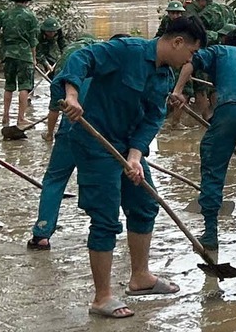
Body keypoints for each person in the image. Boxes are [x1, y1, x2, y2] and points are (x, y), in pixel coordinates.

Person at [42, 18, 198, 315]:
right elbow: (81, 58)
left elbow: (152, 118)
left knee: (144, 204)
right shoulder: (127, 50)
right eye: (190, 54)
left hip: (127, 146)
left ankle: (140, 277)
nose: (189, 61)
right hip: (95, 142)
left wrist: (136, 156)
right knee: (105, 217)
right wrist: (72, 95)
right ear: (177, 42)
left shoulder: (164, 76)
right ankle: (102, 298)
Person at [177, 29, 236, 252]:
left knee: (213, 169)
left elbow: (189, 63)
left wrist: (178, 90)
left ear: (226, 41)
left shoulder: (219, 51)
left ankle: (211, 233)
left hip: (228, 110)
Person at [0, 0, 43, 139]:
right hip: (24, 54)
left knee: (9, 85)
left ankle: (5, 115)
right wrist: (33, 58)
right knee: (25, 86)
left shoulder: (4, 15)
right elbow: (33, 40)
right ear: (27, 2)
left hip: (8, 54)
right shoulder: (30, 16)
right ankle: (21, 117)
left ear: (14, 1)